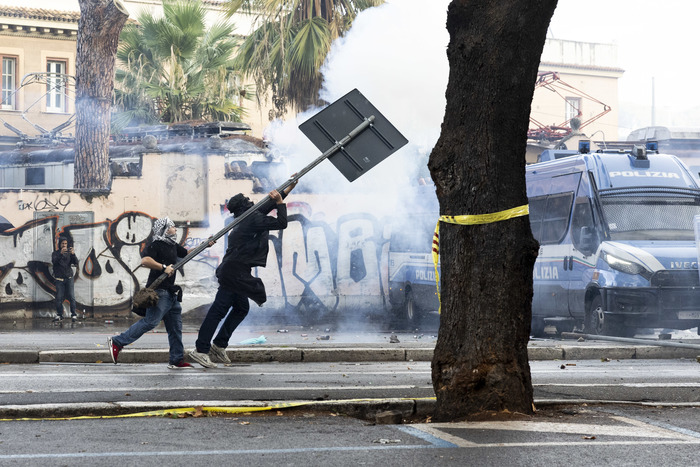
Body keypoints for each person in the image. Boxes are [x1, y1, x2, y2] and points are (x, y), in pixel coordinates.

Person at [189, 182, 296, 368]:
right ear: (243, 206)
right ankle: (200, 350)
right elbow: (281, 223)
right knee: (218, 311)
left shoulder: (247, 217)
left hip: (236, 271)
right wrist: (280, 203)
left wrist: (290, 186)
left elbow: (269, 203)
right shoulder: (251, 220)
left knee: (241, 309)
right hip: (233, 273)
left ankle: (219, 345)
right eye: (247, 200)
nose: (251, 201)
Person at [108, 217, 213, 370]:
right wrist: (163, 267)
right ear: (164, 229)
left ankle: (176, 359)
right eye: (172, 226)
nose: (175, 229)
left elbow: (187, 254)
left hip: (171, 293)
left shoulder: (172, 245)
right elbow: (145, 261)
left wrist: (205, 245)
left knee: (175, 327)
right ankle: (117, 342)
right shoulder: (156, 244)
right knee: (151, 322)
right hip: (159, 292)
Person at [52, 236, 79, 322]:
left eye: (65, 244)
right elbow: (54, 262)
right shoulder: (55, 253)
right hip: (59, 279)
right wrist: (60, 254)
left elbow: (76, 263)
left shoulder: (69, 254)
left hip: (69, 278)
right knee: (59, 297)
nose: (64, 245)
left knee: (71, 296)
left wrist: (73, 254)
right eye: (62, 243)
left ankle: (73, 315)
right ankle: (60, 315)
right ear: (59, 244)